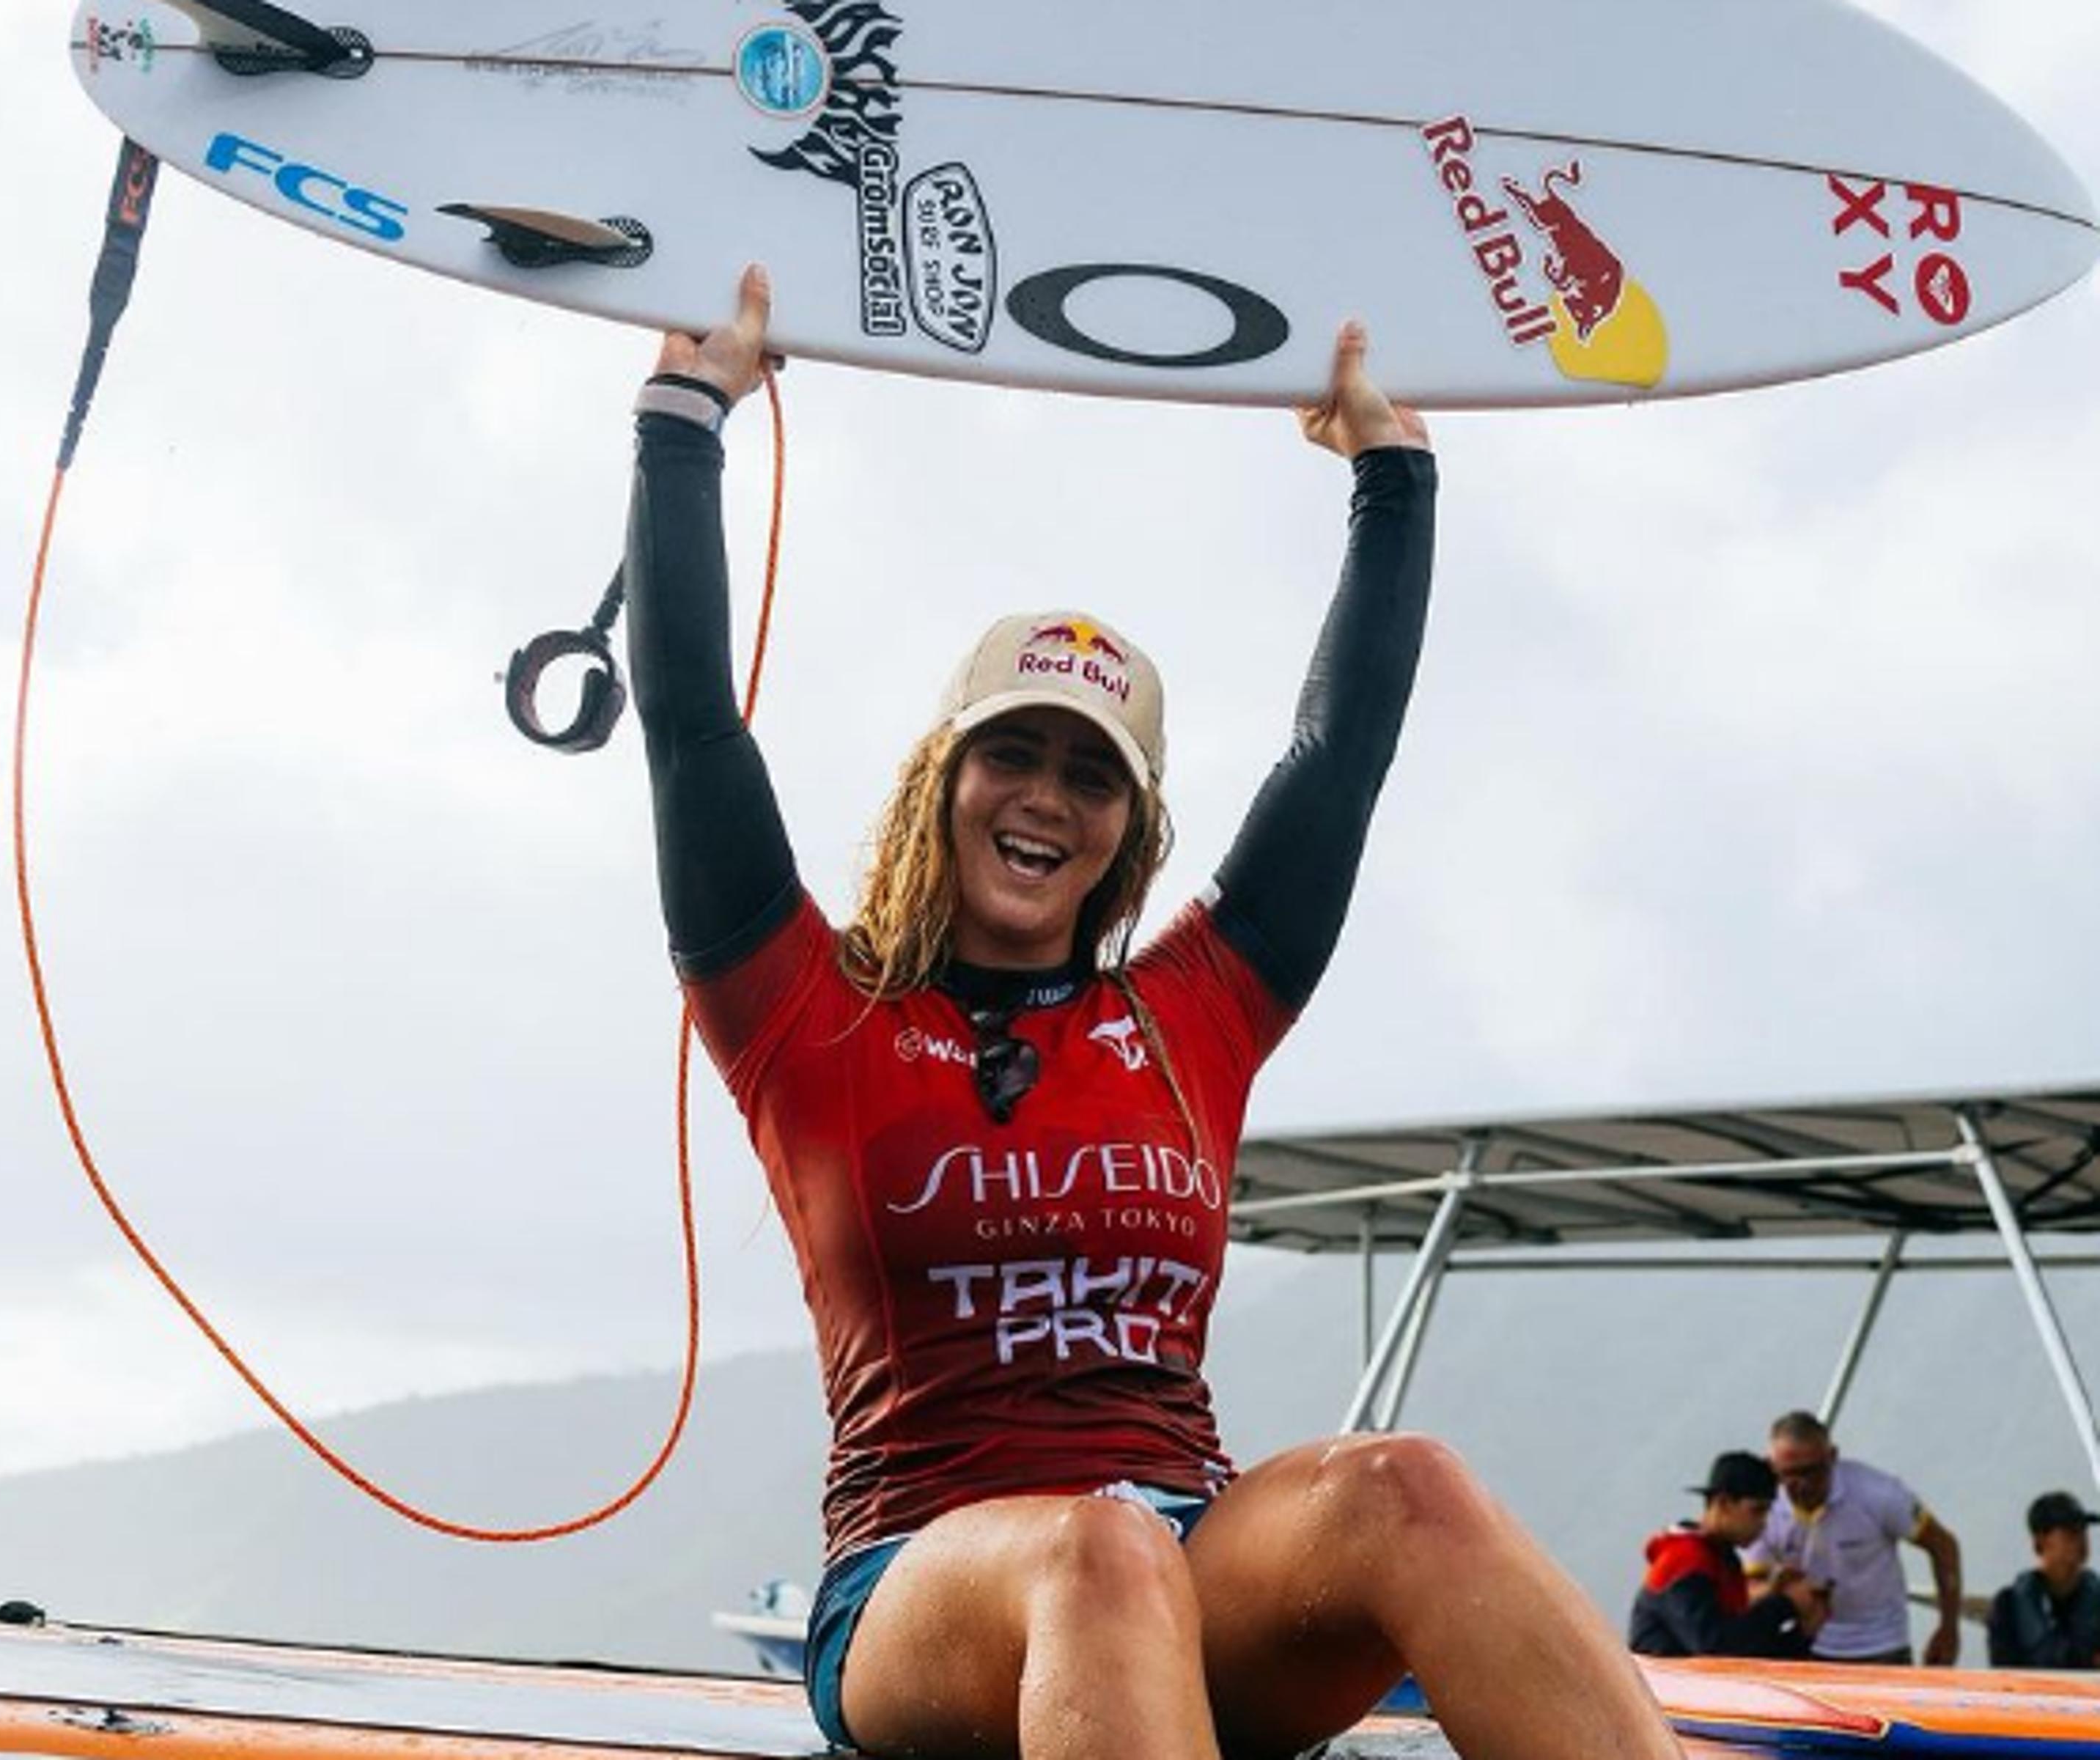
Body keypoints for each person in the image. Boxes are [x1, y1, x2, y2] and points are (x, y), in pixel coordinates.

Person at [625, 265, 1679, 1760]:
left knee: (1408, 1485)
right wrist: (684, 421)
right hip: (927, 1582)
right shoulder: (808, 1010)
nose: (1047, 796)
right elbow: (687, 726)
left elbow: (1338, 760)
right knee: (1091, 1552)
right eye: (1016, 753)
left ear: (1131, 822)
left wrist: (1394, 476)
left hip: (1192, 1549)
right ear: (948, 781)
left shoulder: (1195, 1013)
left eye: (1094, 771)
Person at [1752, 1410, 1963, 1666]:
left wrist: (1949, 1627)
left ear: (1832, 1457)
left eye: (1813, 1472)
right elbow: (1748, 1584)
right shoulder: (1763, 1508)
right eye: (1790, 1475)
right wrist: (1776, 1589)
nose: (1803, 1484)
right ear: (1771, 1467)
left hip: (1883, 1645)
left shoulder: (1879, 1493)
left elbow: (1944, 1546)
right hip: (1806, 1645)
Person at [1629, 1451, 1825, 1657]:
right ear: (1723, 1504)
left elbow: (1746, 1652)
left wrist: (1802, 1632)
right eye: (1757, 1511)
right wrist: (1785, 1605)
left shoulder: (1720, 1557)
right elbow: (1715, 1646)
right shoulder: (1684, 1559)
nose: (1763, 1523)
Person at [1986, 1490, 2100, 1669]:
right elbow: (2005, 1672)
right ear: (2041, 1542)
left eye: (2083, 1532)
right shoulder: (2009, 1606)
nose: (2081, 1540)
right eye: (2070, 1533)